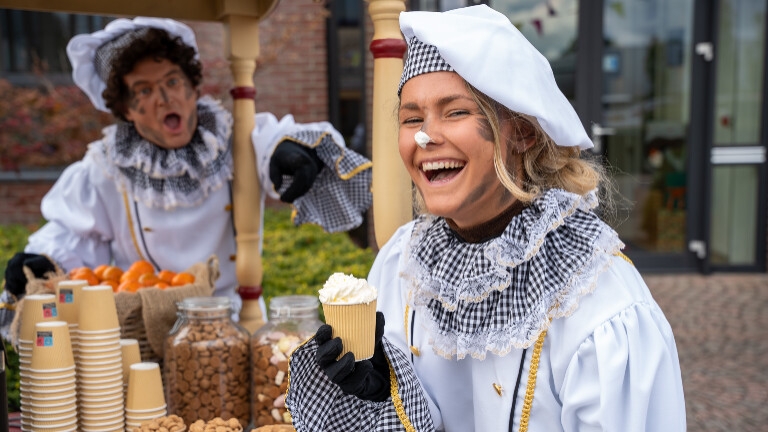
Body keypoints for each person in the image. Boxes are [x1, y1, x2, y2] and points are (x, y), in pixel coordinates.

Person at [285, 5, 685, 431]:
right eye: (411, 118)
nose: (425, 135)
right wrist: (383, 395)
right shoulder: (402, 265)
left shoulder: (598, 300)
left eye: (455, 111)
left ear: (523, 132)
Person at [0, 17, 372, 322]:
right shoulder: (106, 169)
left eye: (173, 82)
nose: (164, 99)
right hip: (143, 330)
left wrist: (291, 151)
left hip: (235, 322)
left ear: (193, 88)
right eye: (143, 91)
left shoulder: (235, 138)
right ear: (126, 109)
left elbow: (273, 139)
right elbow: (71, 236)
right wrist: (42, 263)